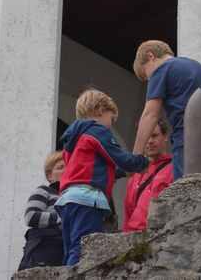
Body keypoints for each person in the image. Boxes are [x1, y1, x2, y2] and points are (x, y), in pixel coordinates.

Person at [132, 40, 201, 195]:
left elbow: (151, 114)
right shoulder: (200, 68)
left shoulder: (161, 70)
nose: (150, 81)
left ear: (151, 56)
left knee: (187, 197)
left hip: (189, 143)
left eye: (147, 75)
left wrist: (135, 155)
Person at [56, 89, 148, 266]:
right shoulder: (97, 130)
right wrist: (142, 162)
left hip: (67, 200)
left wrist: (121, 173)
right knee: (84, 250)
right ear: (100, 110)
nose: (110, 125)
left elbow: (88, 170)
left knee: (70, 250)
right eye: (111, 119)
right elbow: (120, 158)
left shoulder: (72, 140)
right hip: (87, 200)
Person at [123, 119, 174, 232]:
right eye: (146, 136)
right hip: (133, 239)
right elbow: (128, 213)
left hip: (158, 238)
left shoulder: (174, 169)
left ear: (165, 136)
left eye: (154, 136)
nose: (150, 141)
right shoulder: (135, 174)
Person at [17, 150, 65, 270]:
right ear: (49, 175)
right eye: (60, 167)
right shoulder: (44, 191)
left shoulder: (72, 195)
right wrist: (61, 218)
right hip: (44, 248)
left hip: (62, 249)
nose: (66, 170)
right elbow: (31, 216)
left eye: (69, 167)